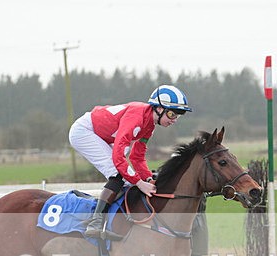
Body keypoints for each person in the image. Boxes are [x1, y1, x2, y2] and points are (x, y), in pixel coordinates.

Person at [68, 84, 192, 239]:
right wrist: (139, 183)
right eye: (173, 114)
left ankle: (115, 222)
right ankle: (95, 222)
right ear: (159, 109)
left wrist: (148, 179)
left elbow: (137, 157)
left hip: (103, 135)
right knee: (119, 174)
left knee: (127, 180)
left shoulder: (149, 125)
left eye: (178, 116)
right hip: (84, 131)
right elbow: (118, 157)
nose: (174, 120)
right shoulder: (137, 116)